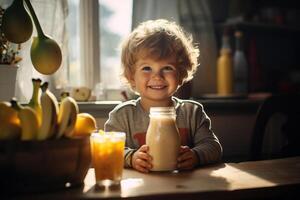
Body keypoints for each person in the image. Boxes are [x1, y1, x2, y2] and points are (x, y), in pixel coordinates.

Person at [104, 19, 222, 173]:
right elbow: (107, 149)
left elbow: (213, 147)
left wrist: (196, 155)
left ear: (181, 73)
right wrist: (131, 158)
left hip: (185, 188)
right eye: (147, 68)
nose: (157, 76)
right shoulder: (122, 116)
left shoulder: (192, 113)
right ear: (131, 76)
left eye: (167, 68)